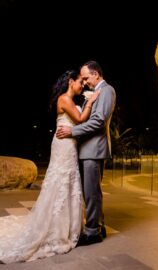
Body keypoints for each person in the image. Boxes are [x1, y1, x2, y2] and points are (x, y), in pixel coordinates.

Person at [0, 69, 100, 264]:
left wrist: (85, 105)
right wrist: (91, 101)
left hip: (70, 145)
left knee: (68, 184)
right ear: (71, 82)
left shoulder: (71, 100)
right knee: (60, 183)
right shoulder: (64, 99)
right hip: (63, 146)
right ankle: (55, 229)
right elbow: (80, 120)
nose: (82, 85)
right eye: (80, 81)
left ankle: (67, 226)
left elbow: (78, 124)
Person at [56, 60, 116, 246]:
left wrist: (72, 132)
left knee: (91, 193)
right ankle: (98, 225)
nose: (85, 82)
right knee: (91, 192)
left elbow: (98, 121)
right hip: (87, 149)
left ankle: (92, 232)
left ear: (96, 74)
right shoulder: (97, 92)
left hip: (94, 149)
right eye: (82, 79)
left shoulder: (107, 90)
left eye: (86, 78)